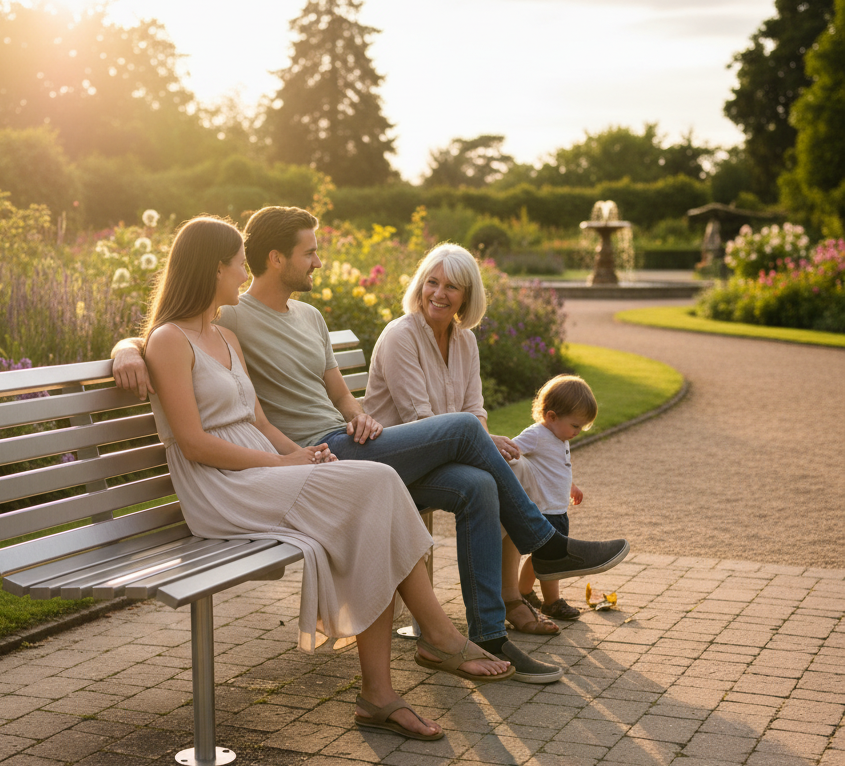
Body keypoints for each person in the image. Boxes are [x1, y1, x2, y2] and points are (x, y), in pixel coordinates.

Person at [113, 206, 630, 683]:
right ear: (277, 258)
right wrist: (126, 348)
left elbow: (340, 394)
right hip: (312, 458)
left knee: (476, 485)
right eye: (311, 252)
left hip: (348, 441)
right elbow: (173, 330)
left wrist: (360, 415)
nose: (320, 260)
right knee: (467, 431)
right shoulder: (236, 318)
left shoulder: (310, 318)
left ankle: (487, 634)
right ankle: (548, 546)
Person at [141, 215, 512, 742]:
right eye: (235, 267)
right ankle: (437, 640)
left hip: (267, 466)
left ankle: (381, 694)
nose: (241, 277)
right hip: (222, 485)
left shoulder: (224, 335)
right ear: (212, 269)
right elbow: (195, 443)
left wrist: (308, 455)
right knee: (375, 489)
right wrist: (283, 464)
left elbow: (259, 421)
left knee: (374, 490)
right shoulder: (168, 341)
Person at [364, 242, 561, 636]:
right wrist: (480, 443)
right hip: (398, 460)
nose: (439, 294)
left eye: (451, 287)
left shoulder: (465, 341)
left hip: (447, 452)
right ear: (420, 285)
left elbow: (474, 410)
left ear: (467, 296)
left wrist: (488, 440)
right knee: (486, 480)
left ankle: (509, 599)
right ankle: (547, 549)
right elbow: (419, 420)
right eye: (432, 282)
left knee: (515, 465)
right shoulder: (400, 335)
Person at [509, 375, 599, 622]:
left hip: (557, 509)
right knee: (553, 559)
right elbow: (511, 450)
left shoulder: (559, 436)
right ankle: (552, 603)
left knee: (542, 556)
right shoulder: (537, 434)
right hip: (543, 510)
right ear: (551, 416)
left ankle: (524, 591)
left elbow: (555, 467)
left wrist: (571, 485)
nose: (577, 432)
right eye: (576, 426)